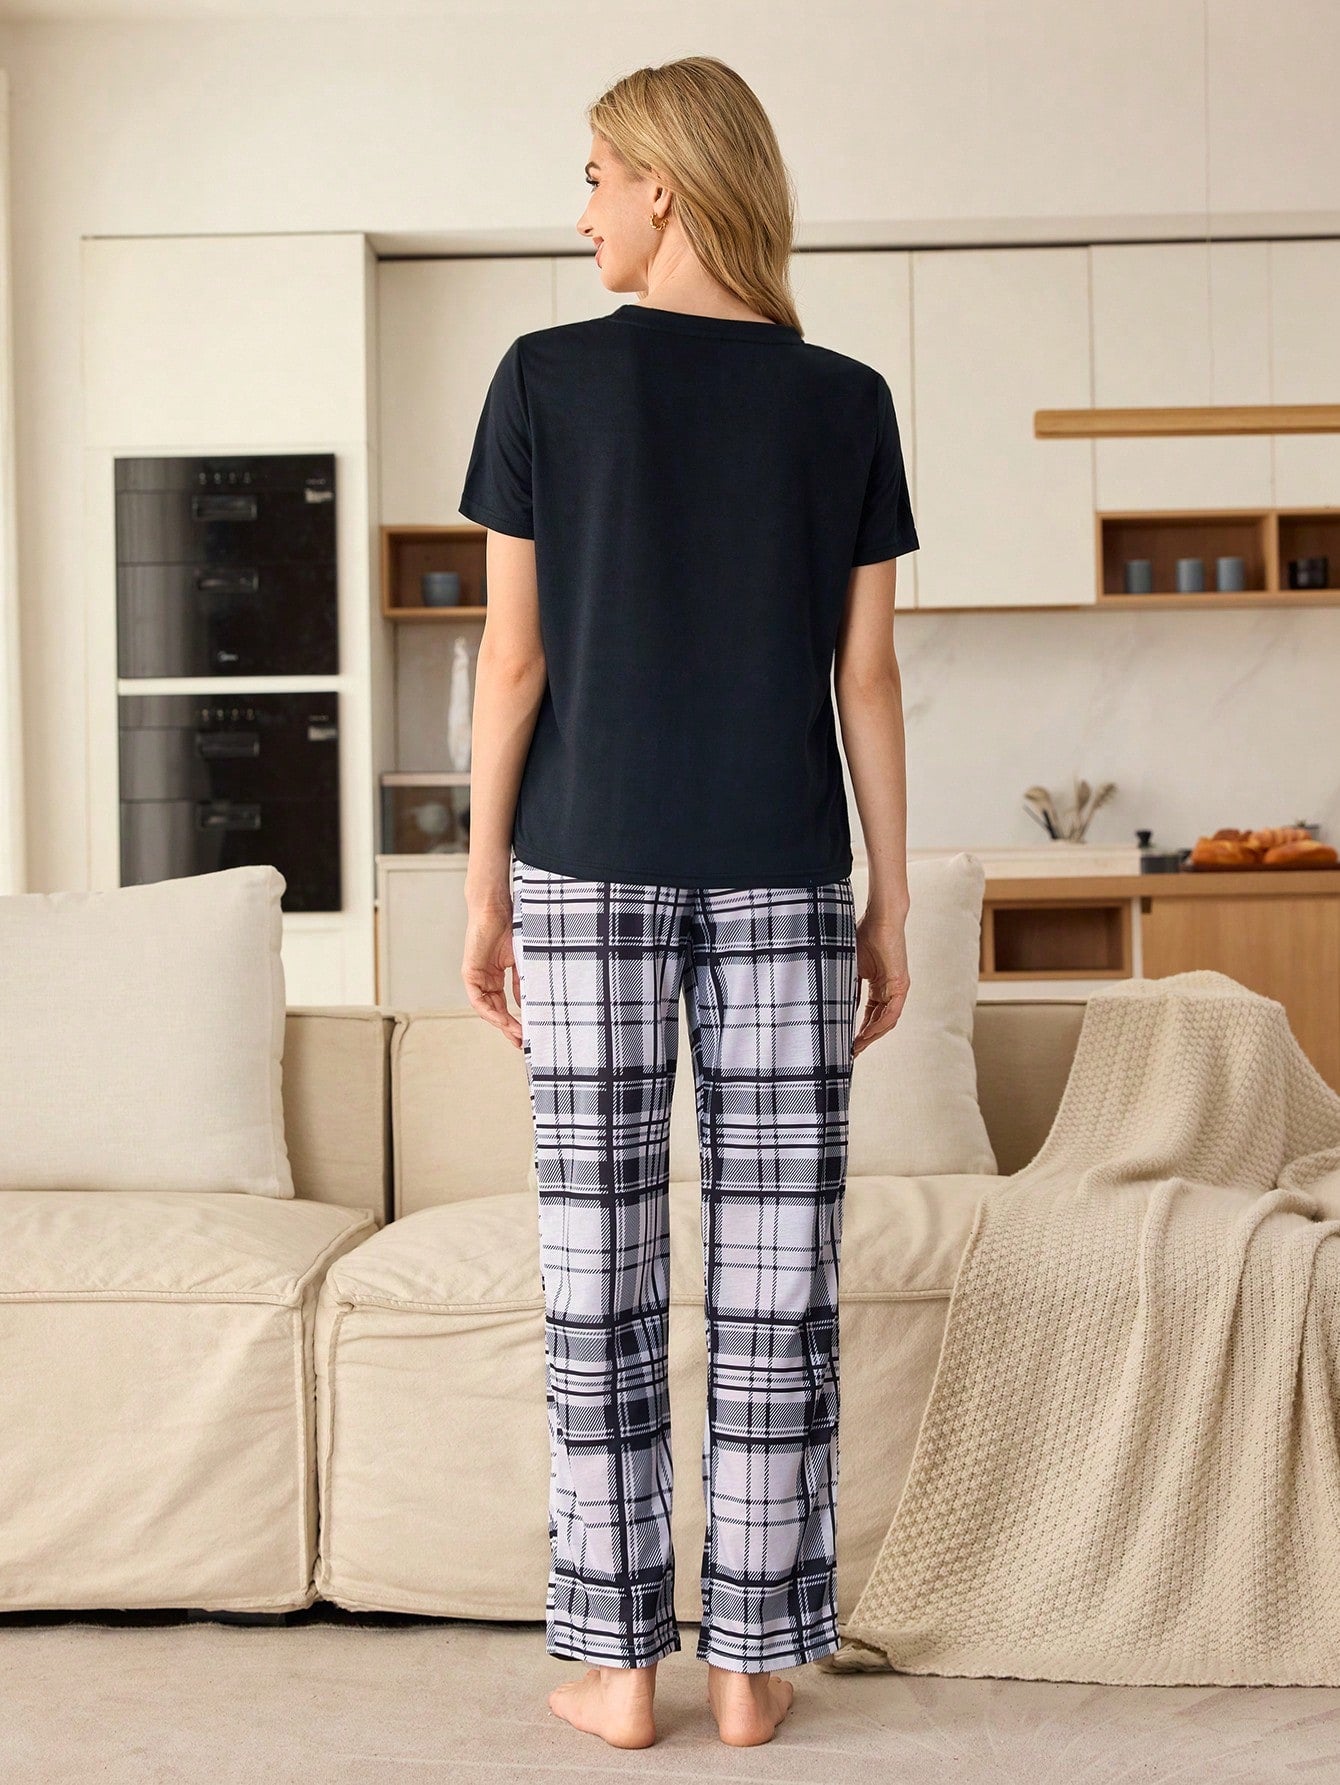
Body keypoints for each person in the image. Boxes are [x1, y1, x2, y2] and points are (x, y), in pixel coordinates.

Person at [458, 55, 916, 1752]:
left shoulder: (543, 380)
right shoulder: (845, 399)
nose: (582, 208)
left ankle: (618, 1669)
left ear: (664, 183)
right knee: (778, 1273)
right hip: (787, 869)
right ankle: (750, 1667)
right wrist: (890, 900)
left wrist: (483, 886)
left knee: (601, 1270)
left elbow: (514, 664)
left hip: (581, 865)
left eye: (596, 175)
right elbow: (867, 679)